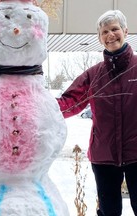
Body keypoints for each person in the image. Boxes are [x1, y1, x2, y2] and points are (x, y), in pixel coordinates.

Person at [57, 10, 137, 216]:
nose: (110, 35)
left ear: (125, 32)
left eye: (115, 29)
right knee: (108, 211)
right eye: (105, 32)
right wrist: (34, 106)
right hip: (104, 156)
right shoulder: (93, 75)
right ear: (99, 38)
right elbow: (69, 102)